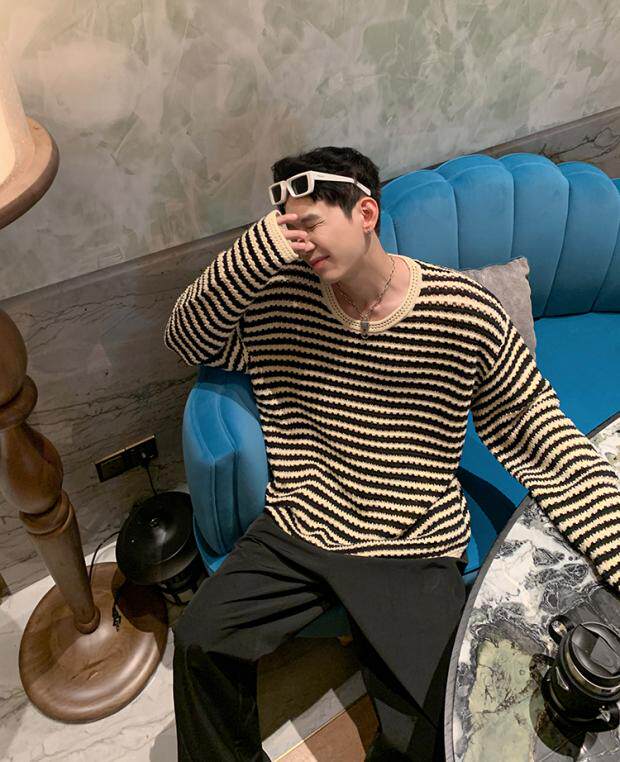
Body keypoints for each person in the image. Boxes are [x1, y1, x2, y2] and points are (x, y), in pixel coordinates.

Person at [164, 146, 620, 761]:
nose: (299, 242)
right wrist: (254, 253)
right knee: (198, 641)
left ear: (365, 213)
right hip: (301, 519)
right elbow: (186, 338)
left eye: (310, 223)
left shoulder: (462, 313)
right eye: (286, 230)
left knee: (441, 726)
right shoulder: (279, 303)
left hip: (411, 538)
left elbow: (534, 429)